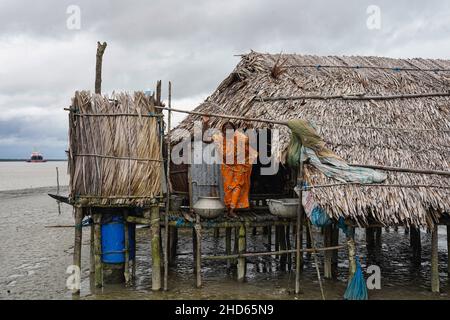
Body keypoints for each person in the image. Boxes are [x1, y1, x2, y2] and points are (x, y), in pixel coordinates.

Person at [203, 116, 257, 218]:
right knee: (228, 188)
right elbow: (205, 139)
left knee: (237, 186)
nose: (228, 131)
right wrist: (205, 123)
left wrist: (249, 127)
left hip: (239, 165)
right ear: (222, 131)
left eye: (230, 129)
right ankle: (229, 208)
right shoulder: (219, 137)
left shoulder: (239, 137)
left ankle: (232, 210)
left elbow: (251, 141)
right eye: (226, 129)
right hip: (226, 167)